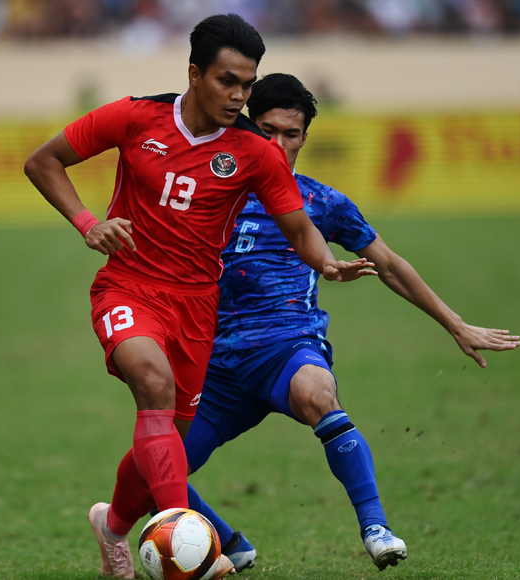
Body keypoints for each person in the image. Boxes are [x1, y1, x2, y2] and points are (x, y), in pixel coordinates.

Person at [24, 15, 377, 580]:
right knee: (153, 382)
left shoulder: (253, 152)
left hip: (195, 306)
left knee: (165, 439)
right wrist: (88, 222)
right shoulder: (135, 116)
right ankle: (187, 543)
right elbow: (42, 161)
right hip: (128, 286)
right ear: (194, 73)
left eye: (247, 83)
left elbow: (298, 227)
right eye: (228, 81)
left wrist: (326, 263)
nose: (240, 96)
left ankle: (113, 526)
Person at [180, 73, 520, 572]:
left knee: (319, 393)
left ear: (304, 137)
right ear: (247, 126)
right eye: (267, 130)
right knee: (153, 471)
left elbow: (389, 263)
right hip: (216, 365)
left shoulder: (322, 201)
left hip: (287, 345)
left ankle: (376, 528)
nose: (278, 144)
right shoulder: (210, 192)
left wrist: (456, 324)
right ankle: (229, 542)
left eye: (290, 134)